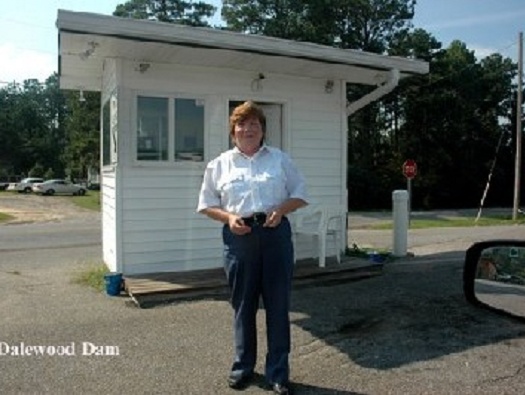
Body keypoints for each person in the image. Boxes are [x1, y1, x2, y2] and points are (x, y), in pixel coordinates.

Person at [197, 101, 308, 395]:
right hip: (239, 238)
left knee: (278, 306)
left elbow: (300, 194)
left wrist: (282, 209)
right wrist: (229, 217)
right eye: (242, 125)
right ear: (233, 131)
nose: (248, 129)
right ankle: (243, 367)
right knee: (243, 306)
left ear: (262, 130)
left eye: (254, 124)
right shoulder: (219, 164)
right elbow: (207, 205)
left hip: (275, 236)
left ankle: (278, 374)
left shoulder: (280, 160)